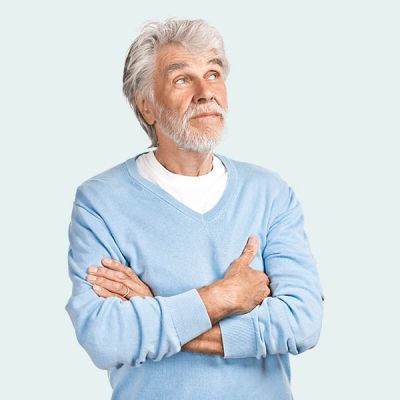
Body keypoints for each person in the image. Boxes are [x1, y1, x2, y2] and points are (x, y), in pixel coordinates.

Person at [65, 18, 325, 400]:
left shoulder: (270, 193)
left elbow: (302, 323)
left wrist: (153, 310)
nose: (206, 93)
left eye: (213, 74)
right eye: (182, 79)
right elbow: (105, 338)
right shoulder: (100, 203)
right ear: (147, 106)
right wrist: (224, 296)